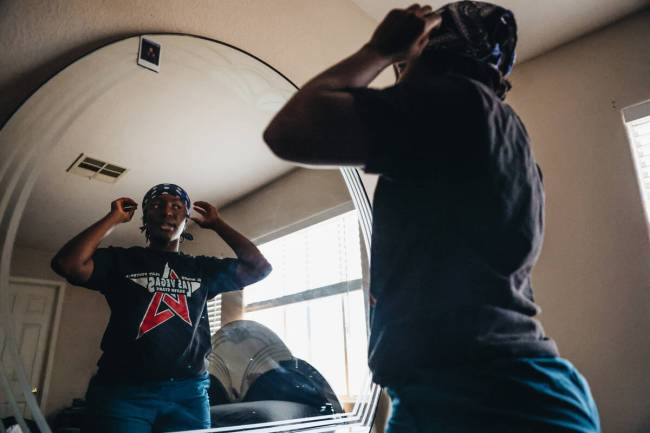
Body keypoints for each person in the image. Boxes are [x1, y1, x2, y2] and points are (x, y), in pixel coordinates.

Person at [263, 2, 600, 432]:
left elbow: (289, 131)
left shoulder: (456, 103)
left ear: (425, 51)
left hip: (480, 398)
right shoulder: (506, 136)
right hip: (512, 389)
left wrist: (379, 49)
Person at [51, 183, 272, 433]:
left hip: (189, 393)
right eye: (157, 206)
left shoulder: (202, 269)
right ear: (145, 218)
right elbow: (67, 264)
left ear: (186, 220)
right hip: (122, 392)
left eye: (177, 207)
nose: (168, 212)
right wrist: (113, 218)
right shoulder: (122, 260)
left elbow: (259, 268)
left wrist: (218, 224)